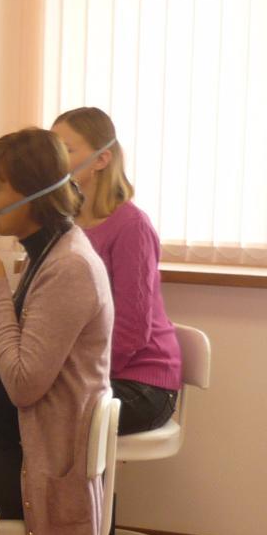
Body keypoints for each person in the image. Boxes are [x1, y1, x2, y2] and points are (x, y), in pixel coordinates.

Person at [0, 128, 113, 535]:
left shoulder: (68, 267)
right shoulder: (48, 253)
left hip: (39, 465)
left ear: (33, 193)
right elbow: (8, 388)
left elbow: (23, 384)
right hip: (22, 440)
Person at [52, 107, 183, 435]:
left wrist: (71, 376)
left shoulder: (131, 226)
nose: (54, 161)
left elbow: (131, 330)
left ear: (101, 159)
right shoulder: (63, 225)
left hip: (142, 384)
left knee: (20, 417)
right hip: (91, 374)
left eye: (66, 150)